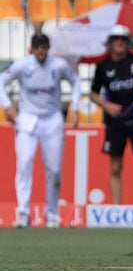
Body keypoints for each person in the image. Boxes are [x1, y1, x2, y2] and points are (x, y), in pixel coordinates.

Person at [0, 34, 81, 228]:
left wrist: (75, 106)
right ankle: (23, 212)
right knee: (24, 164)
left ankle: (51, 214)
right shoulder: (23, 65)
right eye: (37, 47)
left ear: (48, 47)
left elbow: (76, 81)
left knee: (54, 169)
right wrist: (7, 105)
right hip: (27, 120)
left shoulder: (58, 65)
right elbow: (1, 81)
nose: (41, 51)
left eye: (44, 47)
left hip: (52, 120)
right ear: (32, 48)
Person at [90, 25, 133, 204]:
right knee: (115, 167)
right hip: (115, 121)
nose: (119, 42)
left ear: (128, 42)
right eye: (116, 39)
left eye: (123, 39)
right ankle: (116, 207)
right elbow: (94, 94)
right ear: (110, 42)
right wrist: (107, 105)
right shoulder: (103, 67)